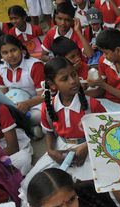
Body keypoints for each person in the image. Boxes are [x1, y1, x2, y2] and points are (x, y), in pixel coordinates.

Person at [27, 56, 106, 186]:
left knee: (92, 185)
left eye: (74, 75)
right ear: (52, 84)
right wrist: (51, 151)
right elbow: (49, 132)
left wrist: (86, 146)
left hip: (91, 146)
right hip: (61, 147)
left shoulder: (92, 105)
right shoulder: (48, 107)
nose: (73, 81)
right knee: (31, 184)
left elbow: (107, 130)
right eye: (64, 79)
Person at [0, 35, 45, 138]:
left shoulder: (35, 65)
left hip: (35, 102)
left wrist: (26, 104)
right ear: (0, 54)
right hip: (14, 104)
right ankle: (29, 129)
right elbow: (2, 94)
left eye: (13, 50)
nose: (10, 55)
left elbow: (44, 95)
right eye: (5, 53)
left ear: (21, 49)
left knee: (43, 114)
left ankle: (18, 129)